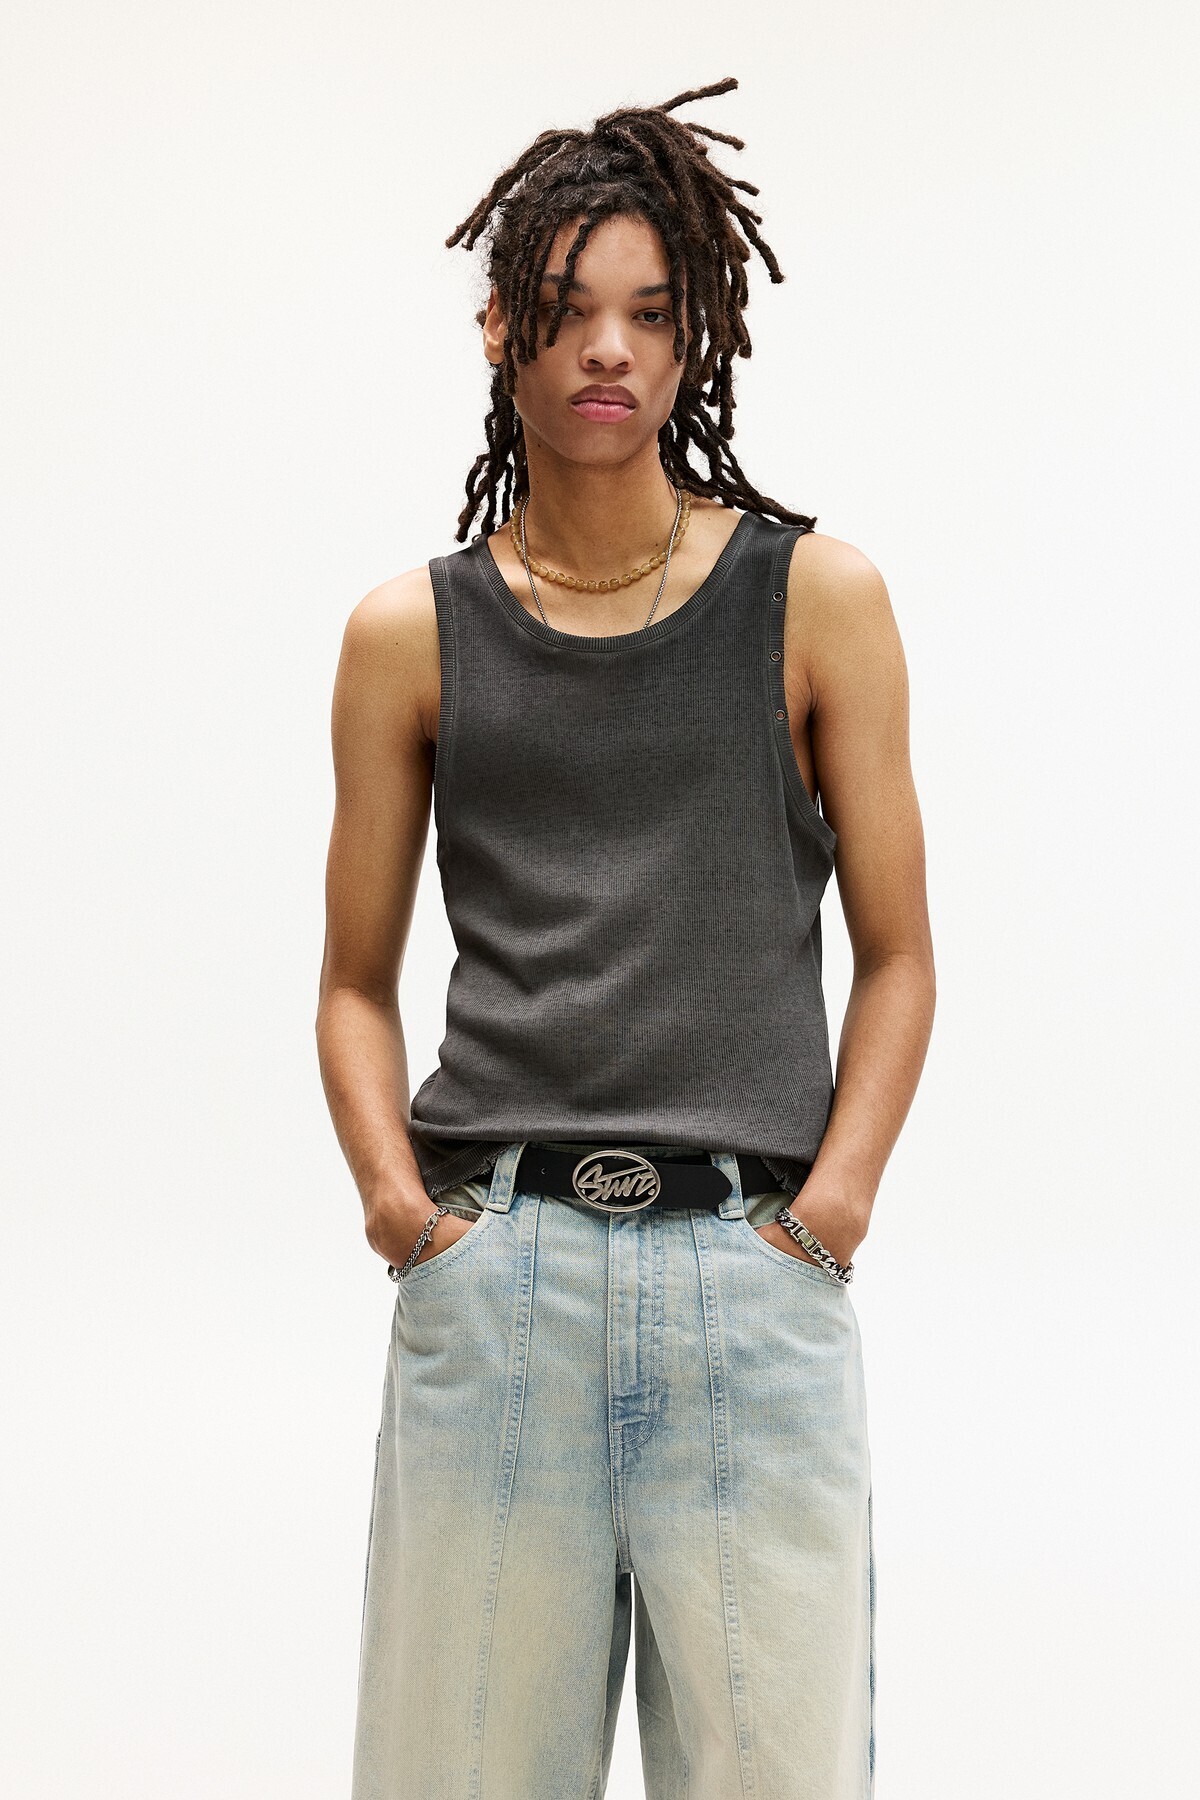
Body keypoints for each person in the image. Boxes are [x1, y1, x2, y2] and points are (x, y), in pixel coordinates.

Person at [316, 75, 935, 1800]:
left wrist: (829, 1216)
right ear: (500, 327)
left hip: (751, 1270)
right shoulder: (410, 636)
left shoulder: (816, 602)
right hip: (496, 1274)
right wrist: (398, 1210)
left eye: (653, 315)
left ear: (696, 337)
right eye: (570, 307)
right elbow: (353, 981)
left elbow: (900, 951)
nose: (610, 349)